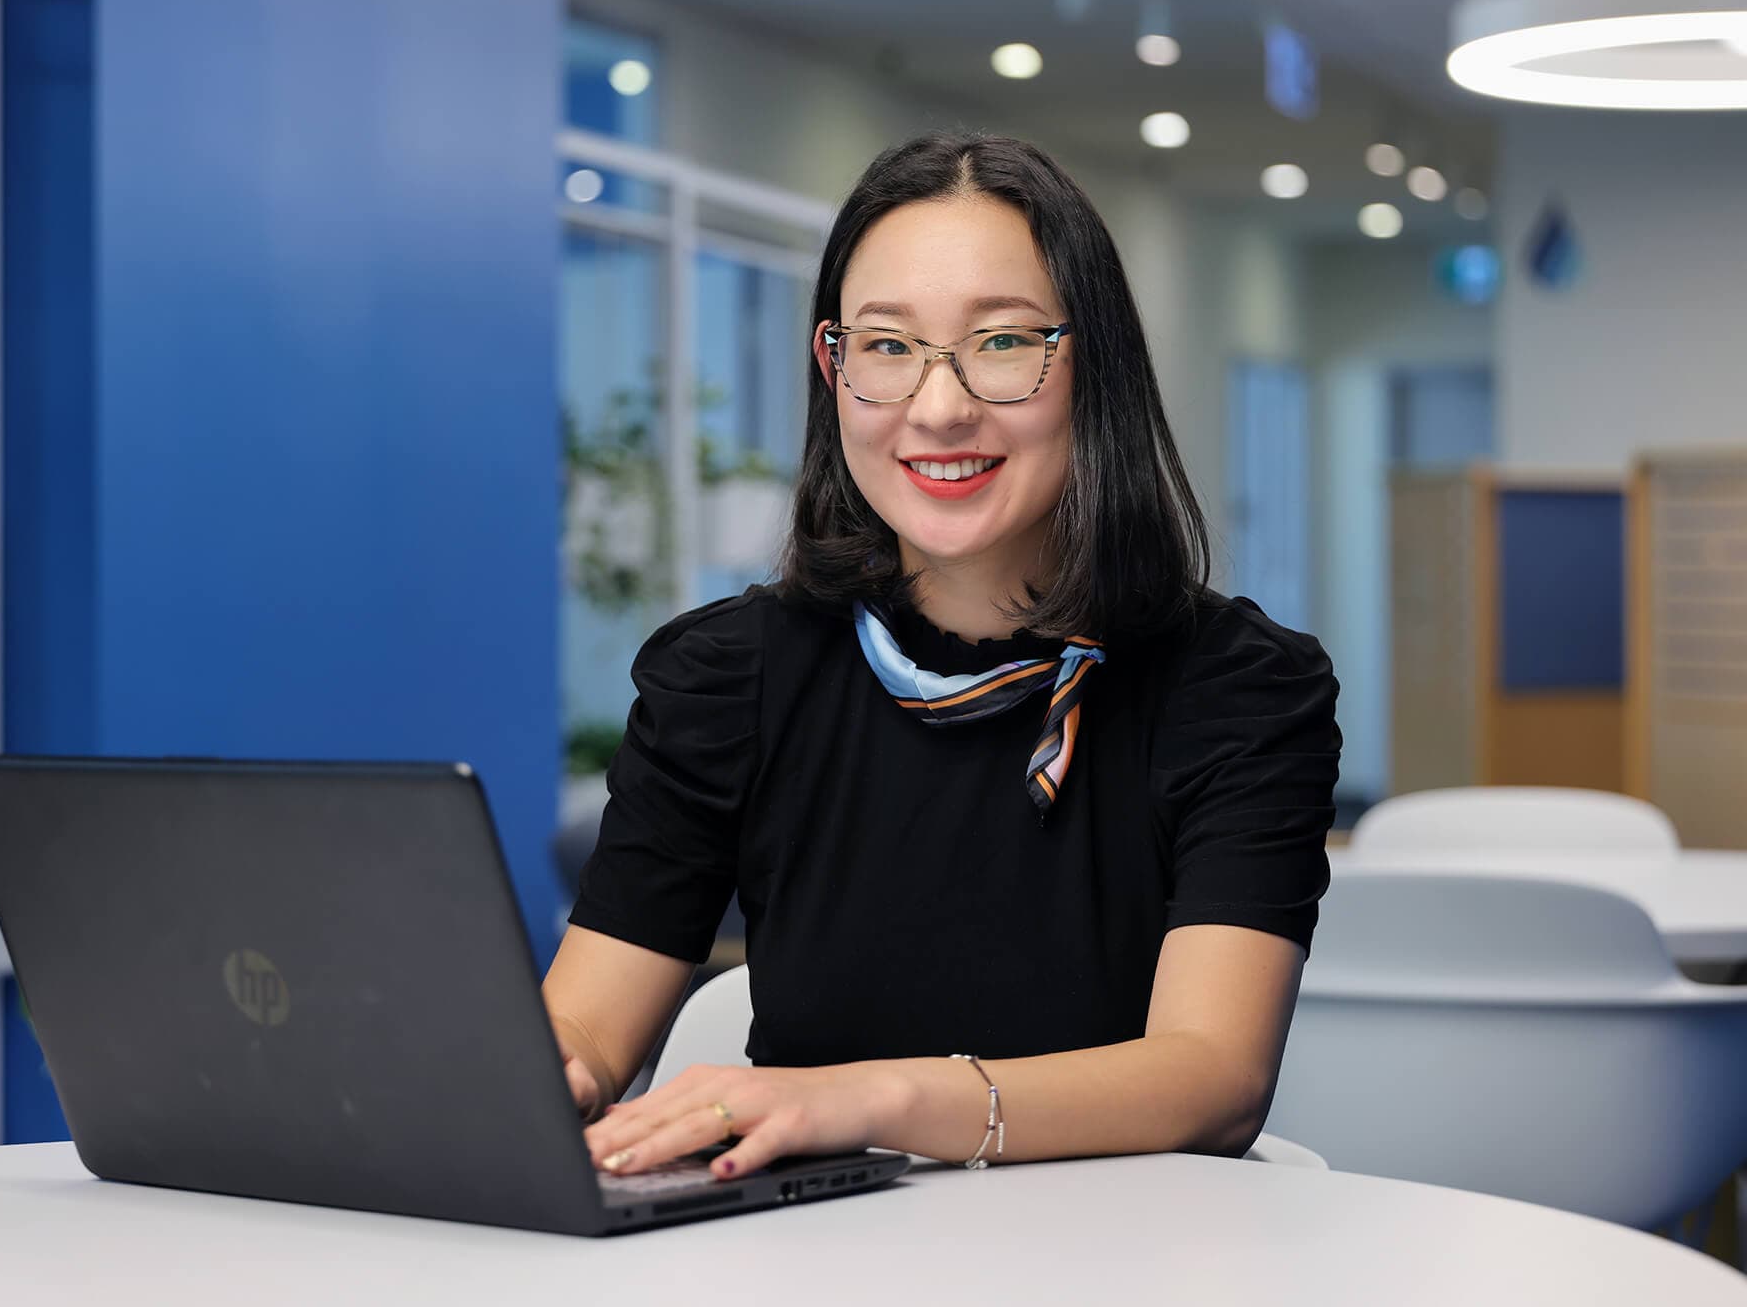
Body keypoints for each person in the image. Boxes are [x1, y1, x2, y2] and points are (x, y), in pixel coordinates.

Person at [541, 130, 1341, 1181]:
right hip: (797, 1266)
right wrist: (525, 1075)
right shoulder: (726, 677)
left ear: (1090, 364)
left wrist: (877, 1093)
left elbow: (1209, 1075)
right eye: (883, 345)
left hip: (1119, 1260)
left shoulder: (1237, 687)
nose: (937, 405)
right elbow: (587, 1033)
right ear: (834, 370)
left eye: (1003, 342)